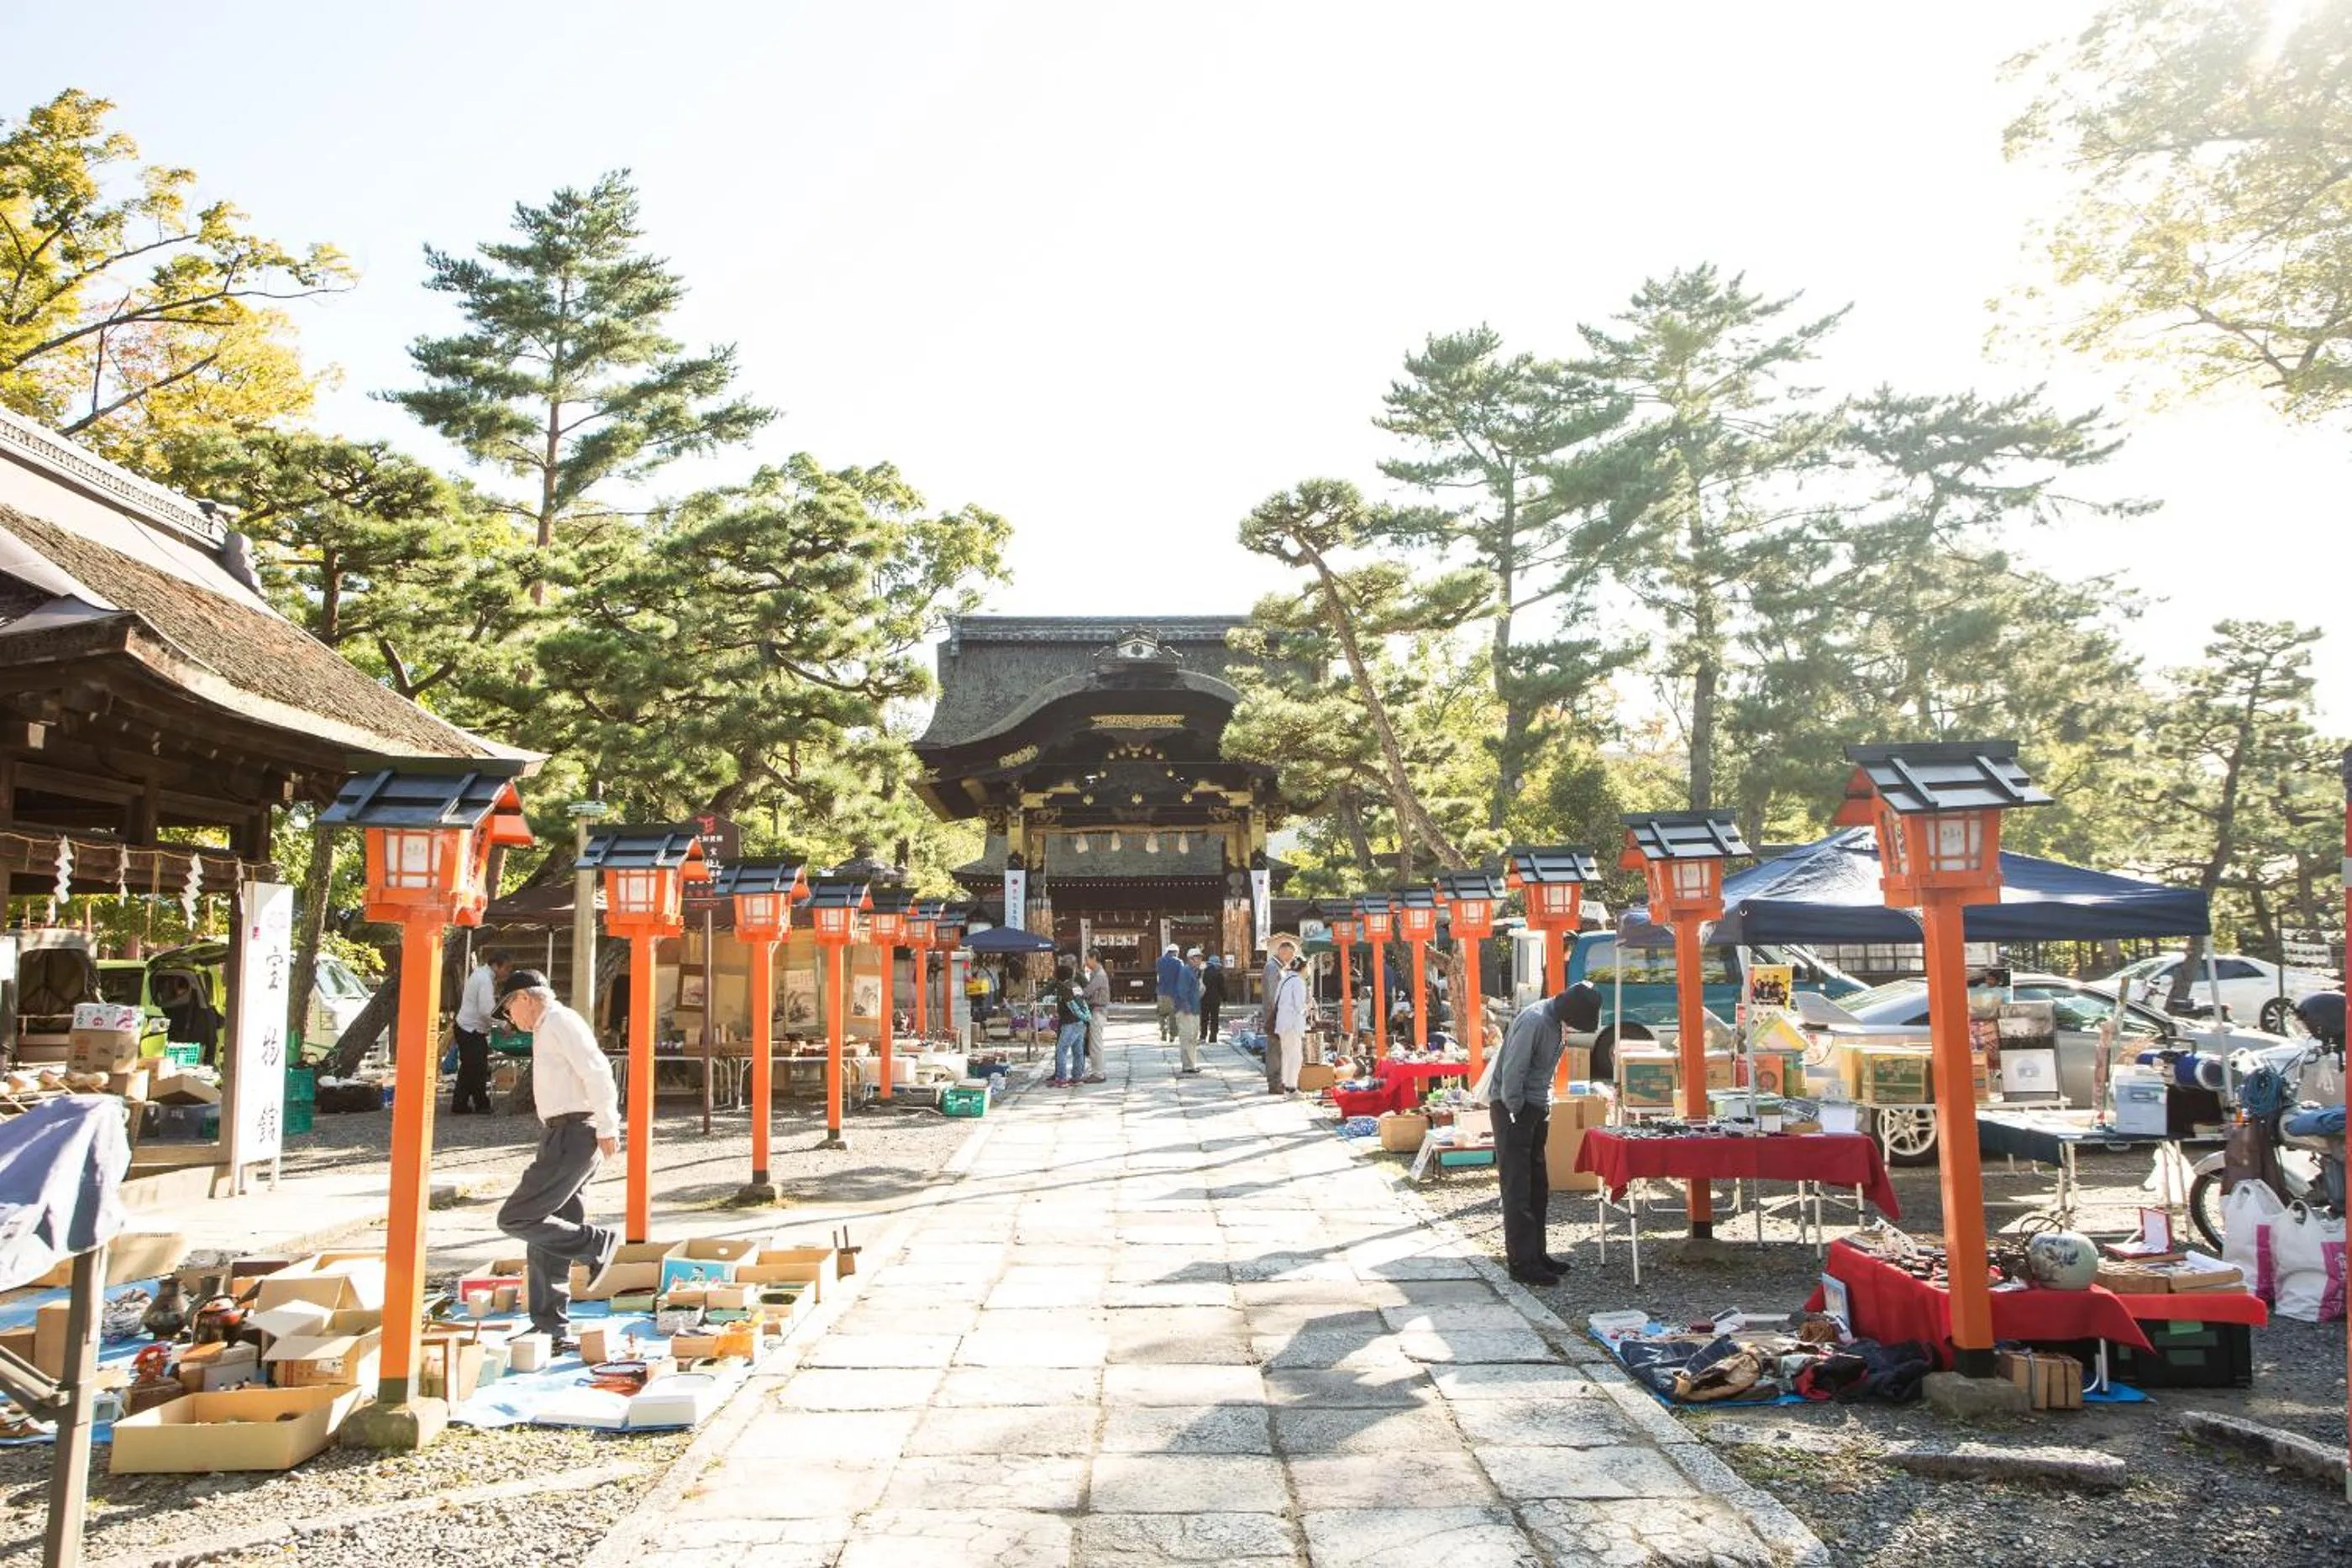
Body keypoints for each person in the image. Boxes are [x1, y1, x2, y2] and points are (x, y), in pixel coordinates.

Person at [493, 969, 622, 1347]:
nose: (510, 1020)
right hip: (562, 1132)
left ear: (525, 999)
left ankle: (596, 1244)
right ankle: (551, 1326)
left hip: (574, 1132)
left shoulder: (561, 1021)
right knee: (548, 1231)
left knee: (518, 1216)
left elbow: (596, 1069)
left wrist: (608, 1125)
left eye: (509, 1009)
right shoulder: (547, 1027)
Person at [1488, 983, 1602, 1286]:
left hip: (1536, 1108)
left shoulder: (1554, 1022)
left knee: (1538, 1185)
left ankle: (1537, 1253)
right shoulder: (1535, 1021)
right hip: (1515, 1110)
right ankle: (1521, 1262)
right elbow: (1514, 1073)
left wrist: (1541, 1109)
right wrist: (1517, 1111)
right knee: (1518, 1190)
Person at [451, 948, 512, 1115]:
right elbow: (486, 1011)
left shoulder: (481, 974)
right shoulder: (485, 980)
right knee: (477, 1068)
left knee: (469, 1068)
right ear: (496, 966)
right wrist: (502, 1024)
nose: (507, 972)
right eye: (506, 968)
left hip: (468, 1027)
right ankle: (481, 1104)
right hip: (470, 1029)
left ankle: (460, 1104)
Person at [1262, 935, 1299, 1092]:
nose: (1292, 959)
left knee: (1279, 1049)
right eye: (1291, 955)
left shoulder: (1279, 967)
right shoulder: (1272, 967)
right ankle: (1275, 1083)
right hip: (1275, 1016)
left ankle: (1279, 1082)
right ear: (1284, 952)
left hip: (1279, 1015)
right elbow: (1273, 995)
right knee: (1275, 1050)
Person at [1270, 953, 1310, 1094]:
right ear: (1303, 968)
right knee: (1296, 1056)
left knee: (1287, 1055)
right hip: (1293, 1023)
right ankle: (1292, 1087)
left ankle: (1287, 1085)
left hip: (1282, 1023)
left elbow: (1276, 1001)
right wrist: (1308, 1008)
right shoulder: (1298, 982)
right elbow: (1300, 1006)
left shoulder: (1284, 979)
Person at [1048, 959, 1090, 1087]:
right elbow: (1083, 1002)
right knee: (1078, 1050)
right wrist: (1086, 1017)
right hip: (1080, 1022)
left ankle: (1061, 1078)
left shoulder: (1065, 988)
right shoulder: (1076, 986)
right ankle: (1077, 1077)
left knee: (1061, 1050)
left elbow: (1072, 1006)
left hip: (1070, 1022)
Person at [1171, 947, 1205, 1073]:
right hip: (1187, 1010)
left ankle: (1192, 1064)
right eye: (1196, 957)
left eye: (1200, 957)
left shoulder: (1195, 972)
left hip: (1194, 1009)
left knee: (1193, 1038)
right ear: (1190, 959)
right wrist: (1186, 1007)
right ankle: (1188, 1065)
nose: (1199, 960)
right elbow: (1182, 991)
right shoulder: (1185, 971)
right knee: (1187, 1037)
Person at [1081, 952, 1112, 1082]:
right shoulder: (1095, 973)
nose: (1085, 962)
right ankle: (1096, 1071)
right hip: (1096, 1010)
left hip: (1098, 1010)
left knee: (1096, 1044)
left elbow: (1087, 992)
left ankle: (1098, 1073)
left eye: (1087, 959)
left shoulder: (1099, 975)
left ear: (1094, 959)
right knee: (1094, 1043)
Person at [1155, 943, 1184, 1042]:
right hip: (1174, 993)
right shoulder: (1179, 962)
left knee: (1161, 1013)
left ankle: (1163, 1030)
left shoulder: (1159, 961)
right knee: (1173, 1015)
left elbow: (1158, 974)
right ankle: (1172, 1035)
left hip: (1161, 991)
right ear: (1176, 952)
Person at [1200, 955, 1226, 1043]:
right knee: (1214, 1018)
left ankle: (1203, 1036)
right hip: (1215, 999)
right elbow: (1222, 988)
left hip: (1203, 999)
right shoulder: (1219, 974)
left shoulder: (1202, 973)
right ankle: (1213, 1037)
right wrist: (1225, 999)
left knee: (1204, 1018)